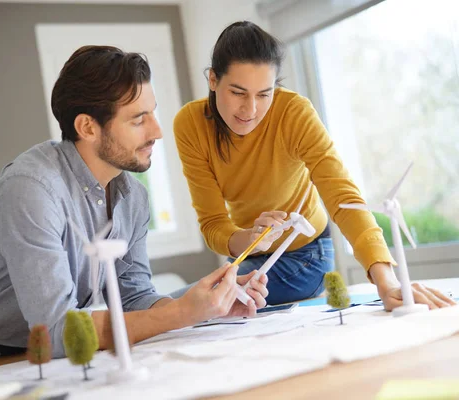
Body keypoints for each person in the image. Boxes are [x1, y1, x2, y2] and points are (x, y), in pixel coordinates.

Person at [0, 45, 268, 366]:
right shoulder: (30, 190)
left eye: (153, 113)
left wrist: (207, 304)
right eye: (139, 119)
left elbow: (133, 296)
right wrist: (181, 313)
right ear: (87, 127)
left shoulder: (133, 197)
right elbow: (58, 332)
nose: (157, 132)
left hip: (62, 349)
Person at [173, 21, 456, 310]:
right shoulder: (190, 125)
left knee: (187, 305)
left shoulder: (294, 113)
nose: (251, 110)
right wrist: (250, 240)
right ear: (212, 80)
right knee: (184, 305)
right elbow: (213, 224)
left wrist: (388, 281)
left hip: (307, 255)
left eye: (264, 94)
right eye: (237, 93)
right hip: (248, 257)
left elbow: (343, 197)